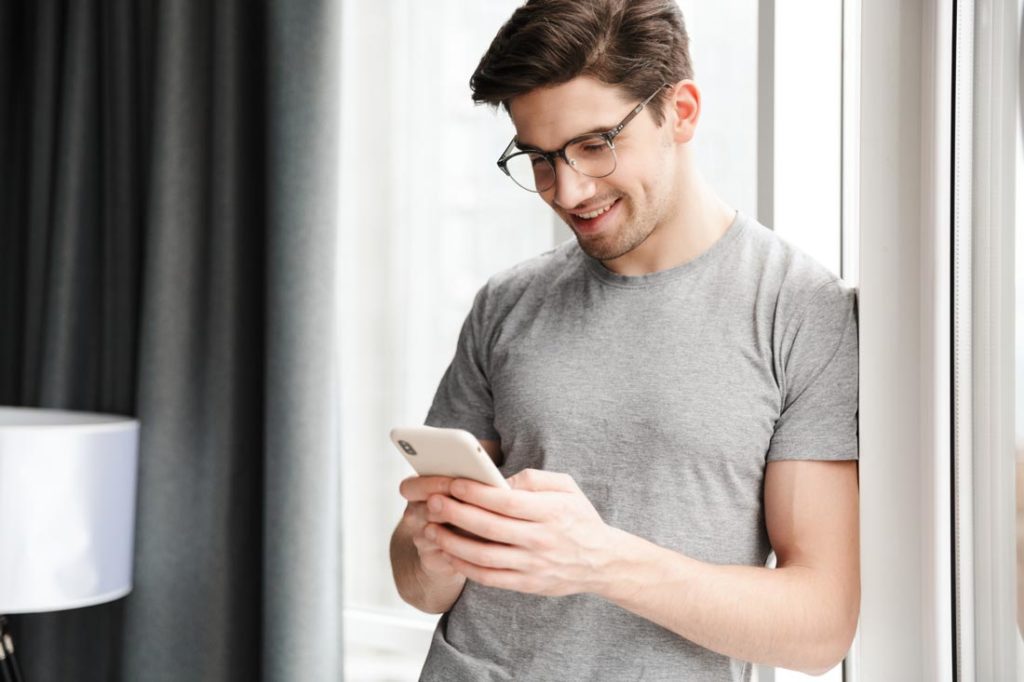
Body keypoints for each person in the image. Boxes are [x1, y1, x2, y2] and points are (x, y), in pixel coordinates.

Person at [389, 0, 860, 679]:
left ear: (683, 111)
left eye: (594, 144)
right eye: (540, 157)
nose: (568, 190)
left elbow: (820, 628)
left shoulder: (800, 309)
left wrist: (600, 560)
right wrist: (430, 550)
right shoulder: (506, 302)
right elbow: (420, 585)